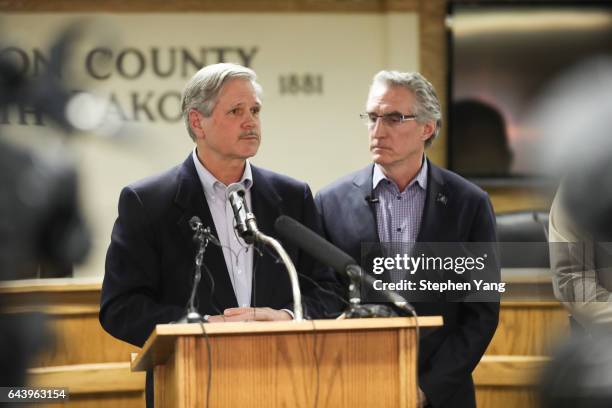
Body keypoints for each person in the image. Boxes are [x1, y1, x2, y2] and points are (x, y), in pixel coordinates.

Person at [100, 63, 340, 405]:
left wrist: (286, 317)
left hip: (286, 383)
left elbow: (330, 289)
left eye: (255, 110)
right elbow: (120, 307)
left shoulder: (291, 197)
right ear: (198, 122)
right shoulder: (148, 202)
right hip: (192, 385)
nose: (251, 121)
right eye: (236, 111)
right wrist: (203, 327)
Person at [315, 71, 499, 408]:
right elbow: (322, 296)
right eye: (372, 117)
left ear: (427, 128)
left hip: (441, 395)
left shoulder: (469, 203)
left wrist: (427, 388)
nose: (378, 130)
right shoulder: (329, 202)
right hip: (355, 387)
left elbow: (482, 314)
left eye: (394, 118)